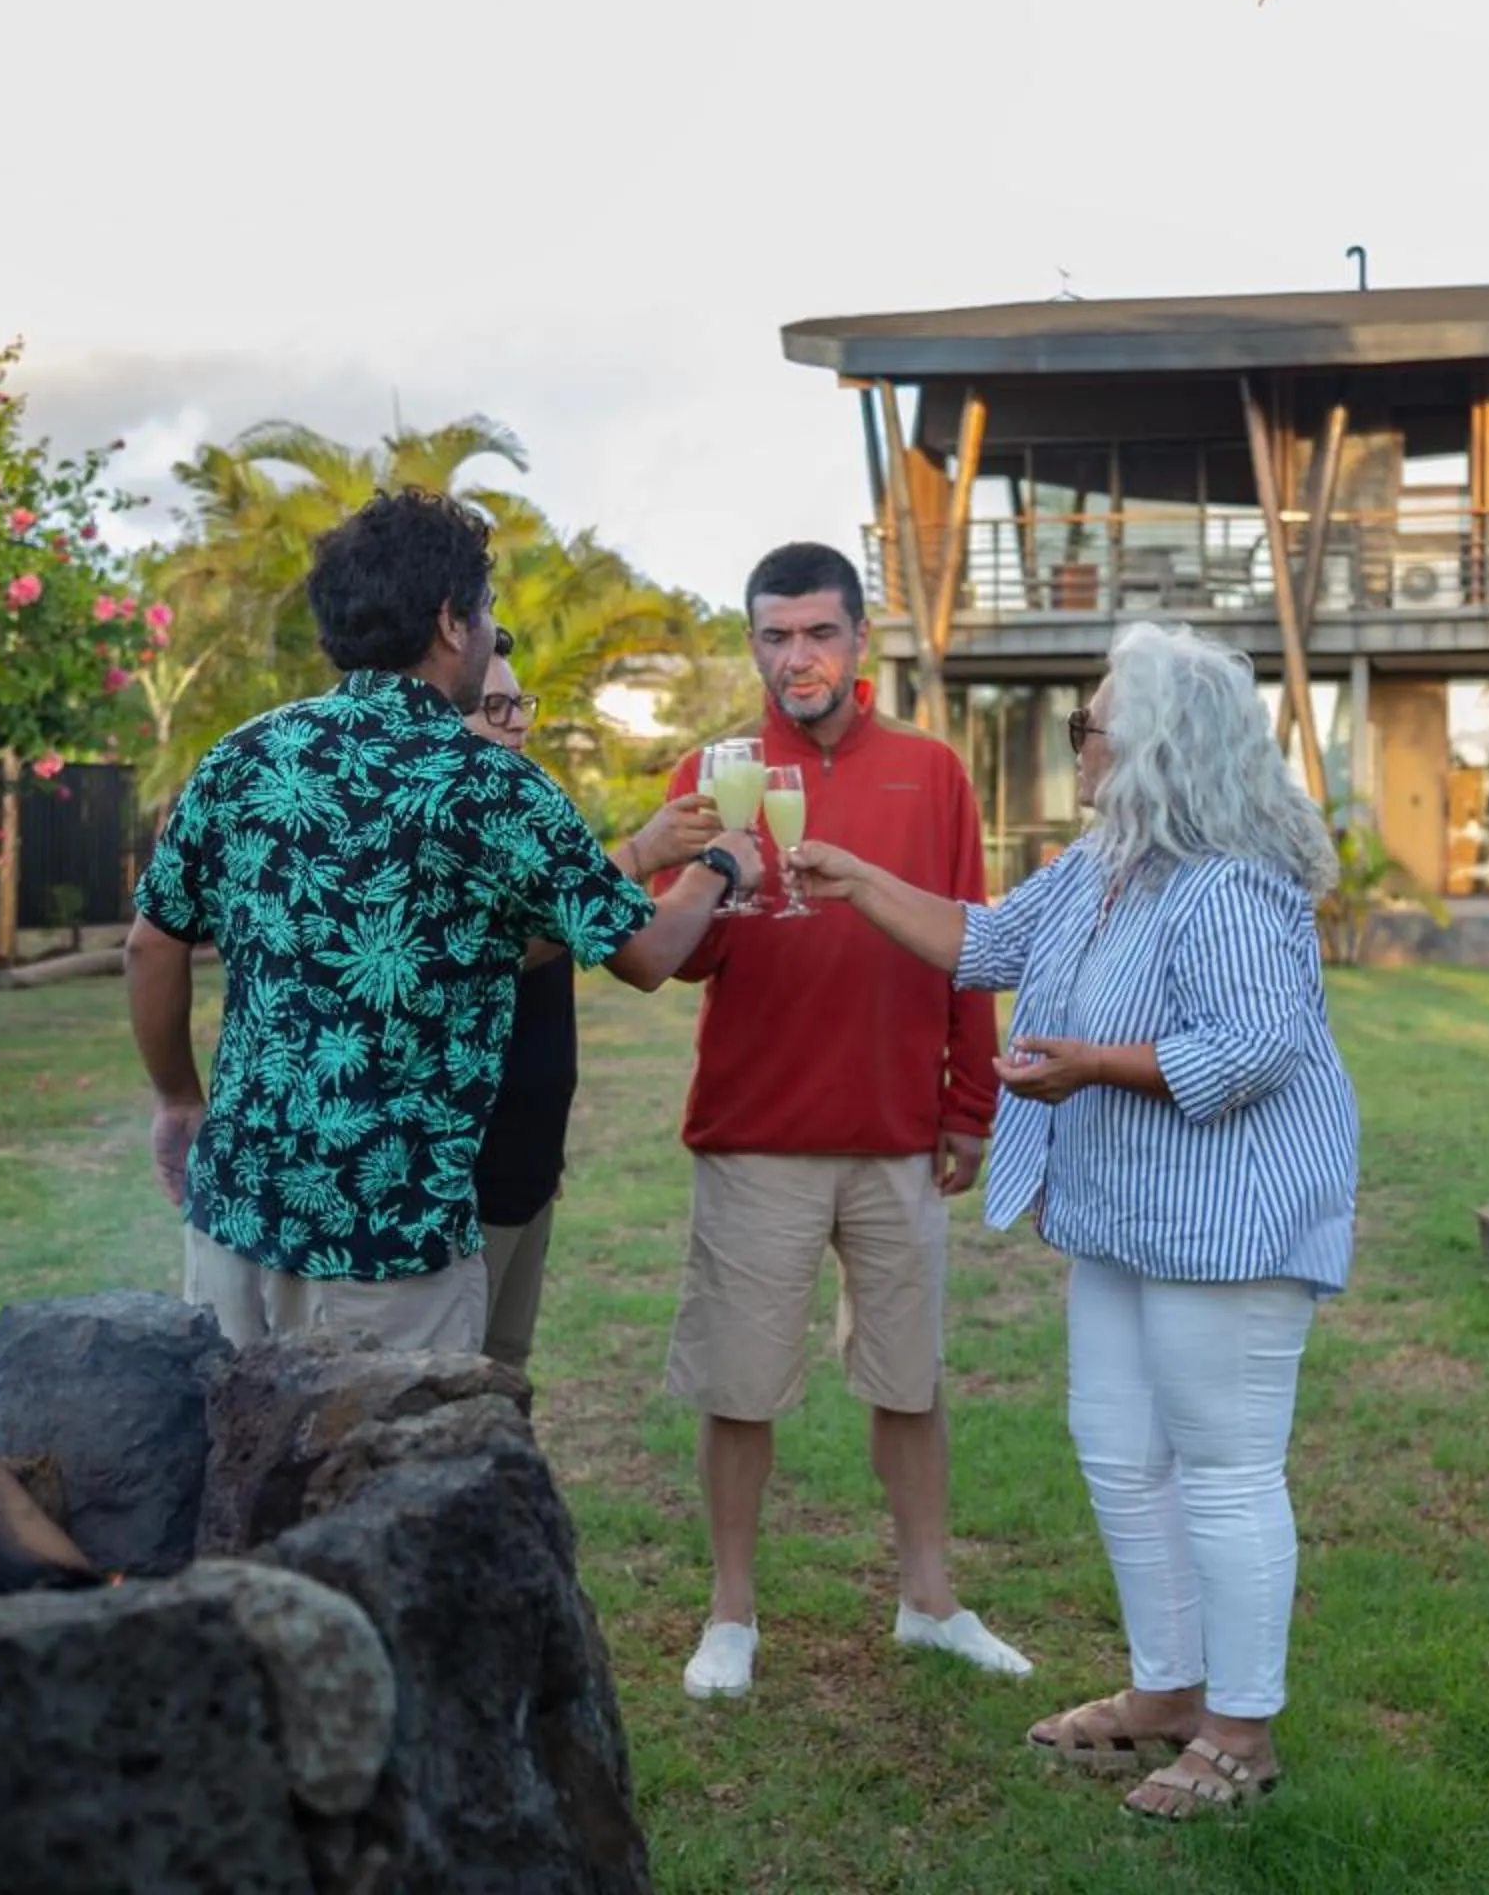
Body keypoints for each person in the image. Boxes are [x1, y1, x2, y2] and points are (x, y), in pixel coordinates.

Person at [793, 620, 1355, 1820]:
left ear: (1156, 744)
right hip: (1123, 1213)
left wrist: (1093, 1062)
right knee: (1115, 1445)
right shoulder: (1105, 860)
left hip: (1230, 1220)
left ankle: (1241, 1735)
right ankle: (1167, 1689)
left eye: (1090, 725)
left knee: (1225, 1467)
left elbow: (1254, 1048)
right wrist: (853, 877)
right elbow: (986, 940)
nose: (1078, 743)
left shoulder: (1232, 879)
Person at [125, 487, 761, 1352]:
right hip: (390, 1249)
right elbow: (646, 953)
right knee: (390, 1482)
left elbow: (153, 940)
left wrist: (175, 1099)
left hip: (235, 1216)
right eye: (489, 614)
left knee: (231, 1473)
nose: (494, 635)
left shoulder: (242, 758)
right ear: (451, 622)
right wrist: (720, 867)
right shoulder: (496, 787)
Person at [657, 540, 1027, 1702]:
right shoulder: (710, 769)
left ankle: (929, 1600)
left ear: (861, 639)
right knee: (739, 1383)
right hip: (757, 1128)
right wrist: (713, 868)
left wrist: (972, 1102)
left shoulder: (932, 769)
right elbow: (680, 954)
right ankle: (730, 1613)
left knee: (908, 1380)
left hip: (895, 1131)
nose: (796, 655)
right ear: (753, 642)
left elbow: (975, 941)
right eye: (774, 634)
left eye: (819, 631)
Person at [462, 643, 722, 1395]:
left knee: (505, 1370)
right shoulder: (453, 824)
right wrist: (676, 862)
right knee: (451, 1380)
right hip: (462, 1174)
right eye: (494, 708)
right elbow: (506, 947)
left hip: (526, 1161)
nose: (517, 726)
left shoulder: (525, 809)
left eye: (521, 706)